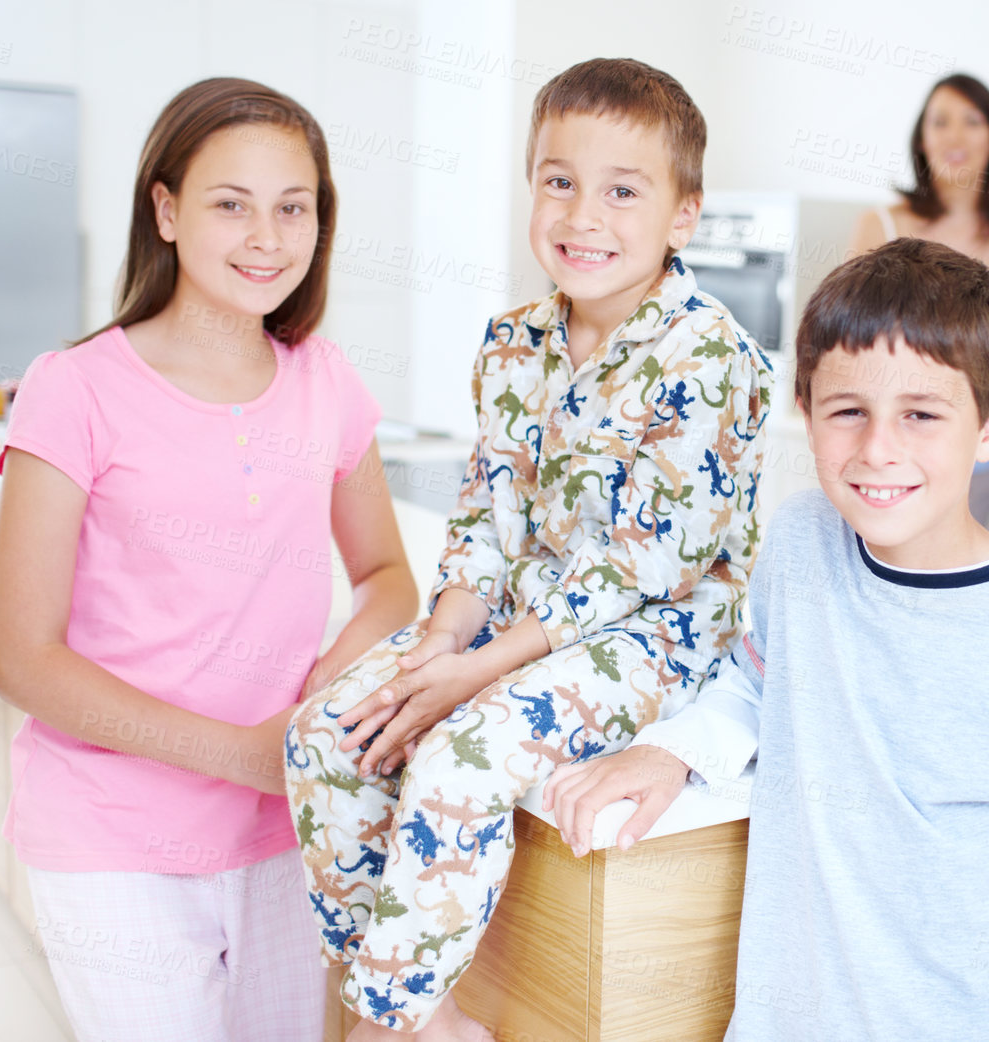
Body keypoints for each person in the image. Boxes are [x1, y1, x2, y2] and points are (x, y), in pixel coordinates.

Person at [543, 237, 989, 1042]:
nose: (878, 451)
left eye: (922, 415)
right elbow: (759, 685)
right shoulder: (799, 543)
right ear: (808, 411)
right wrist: (672, 749)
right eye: (848, 411)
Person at [284, 58, 774, 1040]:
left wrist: (474, 674)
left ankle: (383, 1023)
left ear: (683, 216)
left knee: (461, 760)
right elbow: (488, 509)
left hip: (653, 637)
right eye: (559, 180)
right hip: (513, 622)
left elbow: (635, 569)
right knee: (326, 732)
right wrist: (441, 642)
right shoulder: (513, 339)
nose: (583, 214)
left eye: (622, 190)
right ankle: (422, 1006)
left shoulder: (710, 353)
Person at [0, 78, 418, 1041]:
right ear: (167, 209)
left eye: (292, 207)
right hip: (111, 833)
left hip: (280, 827)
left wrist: (315, 712)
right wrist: (240, 755)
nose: (267, 236)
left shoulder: (326, 383)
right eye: (232, 203)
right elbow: (23, 658)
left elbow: (389, 578)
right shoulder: (75, 389)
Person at [848, 74, 989, 523]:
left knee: (957, 586)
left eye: (972, 121)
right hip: (892, 455)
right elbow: (848, 345)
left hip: (979, 457)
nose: (955, 136)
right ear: (922, 139)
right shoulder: (880, 226)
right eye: (940, 122)